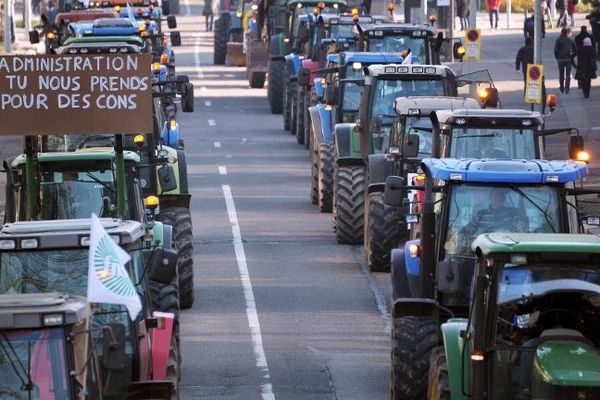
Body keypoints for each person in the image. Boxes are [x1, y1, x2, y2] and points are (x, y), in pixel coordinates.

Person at [554, 27, 577, 93]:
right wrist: (572, 56)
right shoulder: (570, 40)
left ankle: (561, 87)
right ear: (566, 33)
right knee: (568, 74)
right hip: (568, 59)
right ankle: (567, 88)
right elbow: (575, 50)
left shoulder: (558, 40)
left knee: (561, 74)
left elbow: (555, 50)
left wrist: (557, 57)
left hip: (560, 59)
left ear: (561, 32)